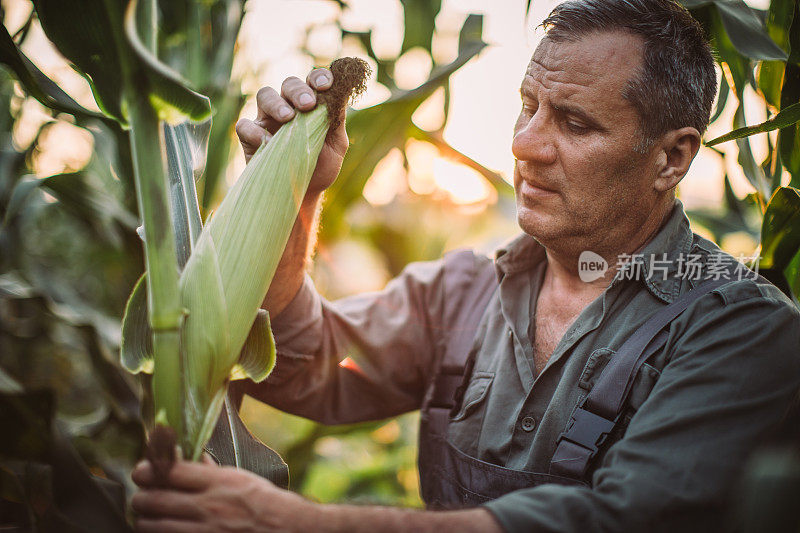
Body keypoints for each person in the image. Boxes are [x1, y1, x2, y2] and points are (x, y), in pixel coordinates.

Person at [131, 0, 800, 531]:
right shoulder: (464, 291)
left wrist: (291, 521)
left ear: (671, 157)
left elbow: (613, 520)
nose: (525, 144)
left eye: (573, 122)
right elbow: (307, 367)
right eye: (527, 105)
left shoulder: (743, 330)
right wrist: (294, 191)